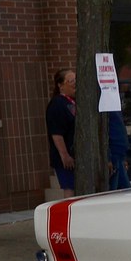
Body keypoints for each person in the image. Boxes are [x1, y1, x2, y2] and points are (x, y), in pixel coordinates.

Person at [45, 69, 77, 198]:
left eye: (76, 80)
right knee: (70, 188)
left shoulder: (73, 102)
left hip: (76, 156)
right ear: (60, 85)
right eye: (71, 81)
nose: (75, 84)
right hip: (65, 158)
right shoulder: (57, 104)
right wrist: (65, 155)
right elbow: (56, 133)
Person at [107, 110, 131, 190]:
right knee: (116, 188)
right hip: (114, 152)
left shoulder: (115, 108)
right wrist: (108, 157)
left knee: (124, 188)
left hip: (119, 153)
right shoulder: (107, 108)